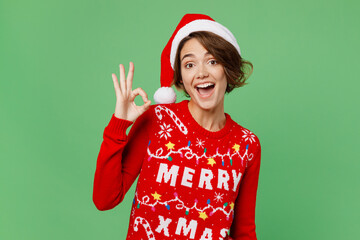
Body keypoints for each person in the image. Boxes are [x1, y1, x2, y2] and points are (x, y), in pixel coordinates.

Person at [93, 13, 261, 240]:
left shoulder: (247, 145)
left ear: (227, 69)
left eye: (212, 61)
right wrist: (118, 125)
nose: (201, 73)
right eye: (189, 64)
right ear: (180, 78)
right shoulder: (157, 121)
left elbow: (244, 232)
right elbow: (105, 199)